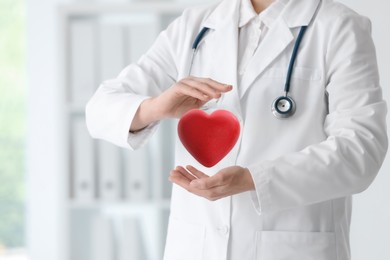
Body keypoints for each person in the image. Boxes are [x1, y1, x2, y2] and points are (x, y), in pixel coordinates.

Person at [86, 0, 388, 259]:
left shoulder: (338, 27)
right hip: (196, 246)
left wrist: (254, 179)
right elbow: (100, 109)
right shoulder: (196, 26)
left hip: (290, 246)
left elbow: (361, 149)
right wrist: (157, 106)